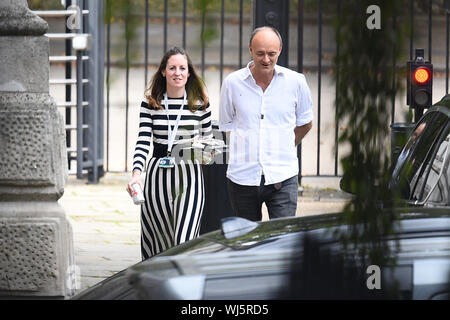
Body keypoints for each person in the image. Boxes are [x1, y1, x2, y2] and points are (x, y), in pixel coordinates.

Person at [219, 26, 313, 221]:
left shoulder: (296, 82)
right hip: (242, 178)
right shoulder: (232, 83)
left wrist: (284, 143)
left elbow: (306, 122)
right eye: (260, 53)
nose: (266, 59)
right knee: (247, 244)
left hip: (283, 176)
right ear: (250, 50)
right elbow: (227, 125)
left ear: (280, 50)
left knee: (283, 241)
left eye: (272, 53)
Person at [127, 46, 213, 260]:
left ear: (189, 72)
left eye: (182, 68)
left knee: (184, 241)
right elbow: (143, 140)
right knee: (158, 243)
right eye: (172, 68)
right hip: (157, 178)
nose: (178, 72)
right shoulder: (150, 103)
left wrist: (204, 153)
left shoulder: (201, 103)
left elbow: (210, 148)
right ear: (163, 71)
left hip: (189, 176)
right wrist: (137, 173)